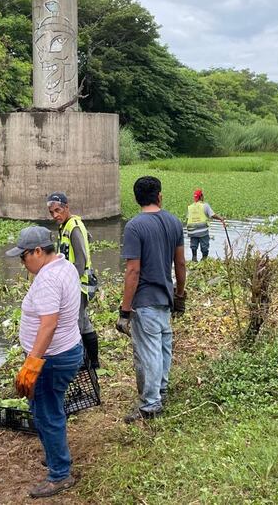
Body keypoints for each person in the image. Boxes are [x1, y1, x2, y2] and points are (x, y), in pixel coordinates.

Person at [7, 226, 82, 498]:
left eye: (23, 257)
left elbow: (48, 325)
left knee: (47, 414)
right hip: (66, 350)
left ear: (38, 251)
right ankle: (55, 455)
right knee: (48, 408)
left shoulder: (48, 280)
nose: (22, 263)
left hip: (52, 358)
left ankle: (60, 474)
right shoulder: (65, 266)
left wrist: (32, 363)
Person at [117, 176, 186, 423]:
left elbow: (133, 271)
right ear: (159, 196)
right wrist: (180, 294)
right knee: (163, 346)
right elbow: (180, 263)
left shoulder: (135, 226)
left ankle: (150, 405)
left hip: (144, 300)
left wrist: (125, 310)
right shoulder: (174, 222)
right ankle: (161, 391)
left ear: (137, 199)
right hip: (165, 297)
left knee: (149, 352)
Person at [47, 191, 100, 369]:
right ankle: (93, 361)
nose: (55, 215)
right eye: (52, 212)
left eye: (58, 210)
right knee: (83, 321)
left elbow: (81, 260)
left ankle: (80, 362)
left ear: (66, 207)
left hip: (80, 284)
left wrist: (69, 285)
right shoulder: (67, 225)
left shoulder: (74, 227)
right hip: (75, 283)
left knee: (75, 323)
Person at [185, 188, 224, 261]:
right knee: (204, 246)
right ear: (201, 197)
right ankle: (204, 260)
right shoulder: (205, 206)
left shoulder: (190, 207)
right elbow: (212, 215)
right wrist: (221, 218)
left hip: (192, 231)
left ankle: (194, 258)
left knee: (194, 246)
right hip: (202, 231)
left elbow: (188, 218)